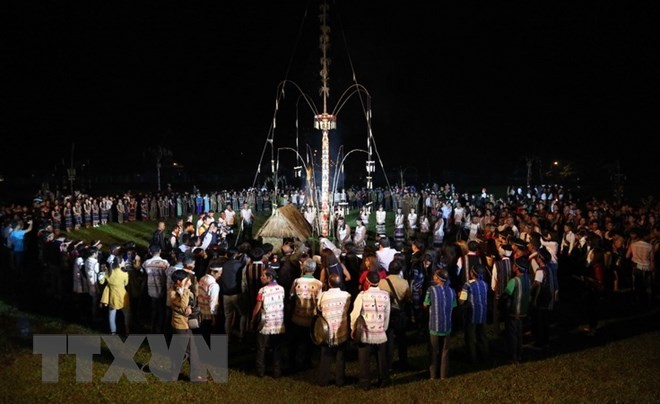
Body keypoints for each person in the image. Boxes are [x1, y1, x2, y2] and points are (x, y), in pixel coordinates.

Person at [351, 270, 390, 389]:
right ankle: (383, 380)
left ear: (367, 281)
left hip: (365, 332)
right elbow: (387, 313)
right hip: (380, 330)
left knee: (364, 359)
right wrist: (384, 328)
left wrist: (353, 328)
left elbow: (355, 314)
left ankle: (365, 382)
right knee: (381, 358)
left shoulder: (362, 296)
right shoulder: (385, 295)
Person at [288, 258, 323, 371]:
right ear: (314, 269)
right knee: (309, 342)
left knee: (295, 341)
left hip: (297, 316)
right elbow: (319, 301)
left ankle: (293, 361)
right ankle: (307, 362)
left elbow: (291, 295)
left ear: (303, 268)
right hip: (310, 318)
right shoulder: (318, 284)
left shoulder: (297, 281)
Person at [317, 273, 351, 387]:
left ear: (329, 283)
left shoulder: (323, 296)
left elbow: (319, 307)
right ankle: (340, 380)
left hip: (327, 330)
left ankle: (323, 379)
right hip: (341, 329)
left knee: (325, 354)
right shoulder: (347, 295)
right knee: (340, 356)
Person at [251, 267, 286, 378]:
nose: (261, 277)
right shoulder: (281, 289)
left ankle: (260, 371)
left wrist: (253, 319)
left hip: (265, 323)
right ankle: (277, 371)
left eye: (263, 276)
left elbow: (258, 306)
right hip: (278, 323)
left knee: (261, 348)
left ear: (270, 277)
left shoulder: (262, 290)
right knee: (276, 348)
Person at [379, 258, 411, 371]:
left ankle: (387, 364)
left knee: (388, 339)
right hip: (399, 312)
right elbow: (407, 298)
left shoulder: (382, 282)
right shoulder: (404, 283)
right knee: (402, 338)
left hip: (387, 313)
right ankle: (403, 361)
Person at [424, 268, 457, 380]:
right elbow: (453, 306)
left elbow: (426, 304)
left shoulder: (430, 290)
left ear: (438, 279)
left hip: (434, 325)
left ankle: (433, 375)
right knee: (445, 350)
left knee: (433, 350)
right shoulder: (452, 291)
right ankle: (443, 375)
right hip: (447, 325)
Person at [502, 257, 531, 364]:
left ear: (517, 268)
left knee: (512, 335)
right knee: (519, 333)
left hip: (514, 312)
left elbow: (506, 295)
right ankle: (520, 354)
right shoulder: (528, 279)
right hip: (524, 311)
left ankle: (513, 356)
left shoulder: (514, 281)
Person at [458, 264, 489, 364]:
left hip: (472, 314)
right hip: (483, 313)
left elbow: (462, 301)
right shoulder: (485, 284)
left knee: (470, 337)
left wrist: (459, 295)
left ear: (472, 273)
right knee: (482, 336)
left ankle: (472, 358)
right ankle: (485, 356)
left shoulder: (468, 284)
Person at [100, 255, 131, 335]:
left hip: (112, 295)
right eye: (123, 261)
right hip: (122, 295)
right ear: (120, 263)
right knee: (126, 314)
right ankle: (127, 329)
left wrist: (102, 272)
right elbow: (126, 283)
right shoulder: (124, 273)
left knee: (112, 314)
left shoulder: (109, 272)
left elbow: (101, 281)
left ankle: (113, 331)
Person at [142, 244, 170, 333]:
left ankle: (152, 327)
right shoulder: (165, 263)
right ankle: (159, 327)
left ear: (150, 252)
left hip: (151, 290)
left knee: (154, 309)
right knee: (161, 309)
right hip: (162, 289)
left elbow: (143, 272)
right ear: (160, 251)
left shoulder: (146, 263)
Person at [198, 259, 223, 345]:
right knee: (208, 334)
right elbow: (213, 302)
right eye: (219, 272)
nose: (220, 274)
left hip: (201, 311)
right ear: (214, 272)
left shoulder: (202, 279)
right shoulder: (214, 285)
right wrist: (214, 317)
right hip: (208, 313)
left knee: (202, 332)